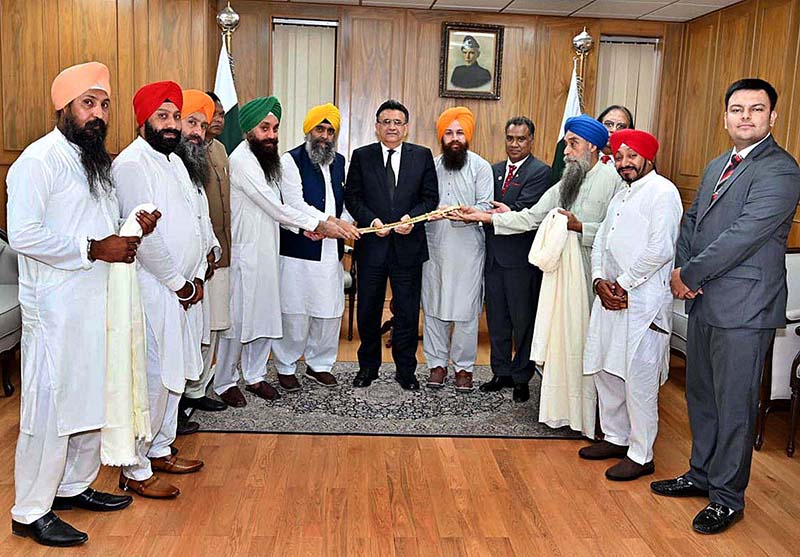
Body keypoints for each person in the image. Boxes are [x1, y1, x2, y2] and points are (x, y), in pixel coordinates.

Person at [7, 61, 159, 548]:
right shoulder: (38, 160)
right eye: (87, 104)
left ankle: (72, 487)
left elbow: (102, 220)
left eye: (104, 105)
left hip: (97, 302)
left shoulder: (96, 161)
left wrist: (134, 222)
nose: (98, 114)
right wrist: (93, 249)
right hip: (55, 308)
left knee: (90, 398)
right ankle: (30, 509)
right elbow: (24, 234)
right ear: (63, 108)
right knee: (50, 410)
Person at [651, 78, 800, 534]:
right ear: (725, 117)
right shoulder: (719, 163)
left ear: (772, 117)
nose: (746, 117)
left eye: (756, 110)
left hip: (745, 308)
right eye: (737, 110)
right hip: (705, 301)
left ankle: (728, 497)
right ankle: (701, 474)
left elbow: (744, 236)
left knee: (734, 405)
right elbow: (692, 221)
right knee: (702, 397)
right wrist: (684, 270)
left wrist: (689, 275)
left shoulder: (781, 170)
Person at [458, 114, 622, 436]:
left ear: (591, 146)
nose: (567, 153)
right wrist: (483, 217)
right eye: (566, 145)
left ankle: (592, 415)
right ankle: (565, 411)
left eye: (572, 145)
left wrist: (580, 227)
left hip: (592, 279)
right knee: (563, 346)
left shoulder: (612, 180)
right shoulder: (567, 181)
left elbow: (615, 232)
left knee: (585, 347)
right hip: (561, 279)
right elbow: (532, 217)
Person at [115, 81, 215, 498]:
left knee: (174, 373)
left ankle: (160, 447)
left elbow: (195, 213)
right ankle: (135, 467)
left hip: (184, 288)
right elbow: (144, 238)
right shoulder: (133, 164)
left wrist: (209, 251)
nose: (172, 124)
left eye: (176, 116)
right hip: (154, 287)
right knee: (153, 375)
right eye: (164, 116)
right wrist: (179, 284)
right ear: (144, 120)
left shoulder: (175, 159)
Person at [214, 97, 348, 406]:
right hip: (245, 253)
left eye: (275, 128)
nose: (272, 135)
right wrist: (319, 223)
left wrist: (305, 228)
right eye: (265, 128)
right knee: (238, 319)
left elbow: (283, 212)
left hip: (270, 250)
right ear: (248, 128)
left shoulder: (266, 159)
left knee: (264, 315)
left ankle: (255, 375)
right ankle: (224, 381)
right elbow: (276, 207)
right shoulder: (242, 162)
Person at [581, 129, 682, 481]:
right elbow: (601, 244)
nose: (624, 163)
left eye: (631, 156)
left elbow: (661, 249)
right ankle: (615, 436)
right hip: (610, 298)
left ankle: (641, 454)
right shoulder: (620, 195)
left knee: (637, 380)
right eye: (619, 156)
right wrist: (598, 281)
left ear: (647, 158)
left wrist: (621, 285)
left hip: (642, 305)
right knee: (606, 371)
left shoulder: (663, 192)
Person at [344, 99, 439, 390]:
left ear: (406, 128)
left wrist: (414, 217)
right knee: (368, 311)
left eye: (397, 122)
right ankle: (367, 368)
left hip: (408, 248)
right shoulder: (361, 156)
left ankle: (406, 371)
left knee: (408, 313)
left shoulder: (422, 156)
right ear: (376, 127)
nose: (392, 127)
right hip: (373, 247)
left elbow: (430, 197)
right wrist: (371, 221)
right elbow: (353, 198)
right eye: (386, 122)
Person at [272, 103, 360, 390]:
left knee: (329, 311)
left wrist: (344, 224)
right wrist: (326, 223)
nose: (324, 136)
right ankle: (285, 365)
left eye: (330, 131)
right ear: (308, 130)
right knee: (295, 311)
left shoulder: (340, 162)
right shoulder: (289, 160)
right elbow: (294, 203)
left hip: (330, 250)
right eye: (319, 129)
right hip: (300, 248)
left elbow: (345, 202)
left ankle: (319, 364)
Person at [480, 116, 551, 402]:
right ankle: (501, 372)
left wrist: (507, 210)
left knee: (523, 322)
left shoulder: (541, 172)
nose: (515, 144)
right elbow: (487, 207)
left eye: (521, 139)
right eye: (510, 138)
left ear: (531, 140)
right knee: (497, 319)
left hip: (521, 262)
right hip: (494, 258)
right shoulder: (493, 171)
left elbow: (528, 211)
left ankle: (522, 377)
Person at [422, 107, 493, 392]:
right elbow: (422, 203)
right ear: (441, 136)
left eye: (459, 133)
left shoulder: (481, 167)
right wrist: (432, 212)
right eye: (449, 133)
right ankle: (437, 364)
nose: (454, 138)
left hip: (468, 248)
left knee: (465, 311)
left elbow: (487, 206)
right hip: (435, 245)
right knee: (434, 305)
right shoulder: (431, 165)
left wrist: (468, 212)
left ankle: (464, 368)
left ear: (468, 136)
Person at [173, 89, 229, 422]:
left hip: (210, 261)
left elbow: (204, 211)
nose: (199, 130)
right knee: (184, 339)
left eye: (203, 123)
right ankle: (178, 403)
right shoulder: (172, 159)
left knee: (209, 329)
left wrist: (213, 250)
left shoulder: (216, 151)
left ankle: (195, 391)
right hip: (177, 276)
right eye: (191, 121)